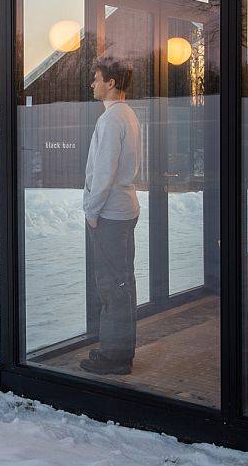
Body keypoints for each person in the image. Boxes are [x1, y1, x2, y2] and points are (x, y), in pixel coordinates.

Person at [80, 56, 141, 376]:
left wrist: (91, 210)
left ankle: (115, 355)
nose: (92, 83)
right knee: (123, 280)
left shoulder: (111, 119)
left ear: (111, 83)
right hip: (125, 208)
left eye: (97, 77)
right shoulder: (128, 115)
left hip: (110, 212)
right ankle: (120, 348)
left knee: (111, 283)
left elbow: (104, 171)